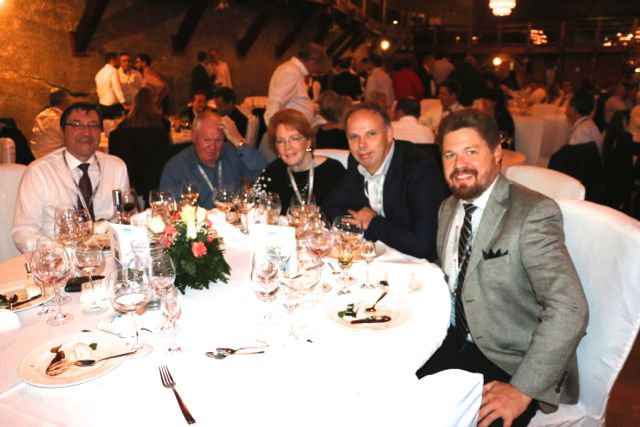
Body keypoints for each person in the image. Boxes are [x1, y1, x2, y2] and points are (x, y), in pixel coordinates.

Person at [415, 109, 588, 427]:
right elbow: (454, 274)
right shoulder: (448, 208)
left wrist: (521, 390)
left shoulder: (533, 213)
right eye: (450, 155)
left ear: (497, 153)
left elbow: (570, 308)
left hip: (510, 361)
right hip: (455, 342)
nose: (459, 164)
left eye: (471, 151)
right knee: (395, 393)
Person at [322, 103, 444, 260]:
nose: (361, 145)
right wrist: (362, 224)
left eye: (371, 134)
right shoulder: (356, 160)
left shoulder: (419, 168)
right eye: (354, 137)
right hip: (376, 259)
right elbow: (330, 207)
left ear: (388, 134)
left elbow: (422, 245)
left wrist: (373, 223)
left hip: (416, 264)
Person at [12, 102, 130, 253]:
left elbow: (126, 218)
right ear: (63, 130)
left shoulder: (116, 167)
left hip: (109, 256)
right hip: (58, 258)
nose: (86, 132)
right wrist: (59, 251)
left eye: (93, 125)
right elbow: (23, 232)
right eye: (77, 125)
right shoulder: (39, 172)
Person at [159, 109, 267, 209]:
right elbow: (169, 208)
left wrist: (239, 141)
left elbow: (265, 175)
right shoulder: (176, 168)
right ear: (194, 137)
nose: (212, 147)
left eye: (218, 140)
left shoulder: (231, 153)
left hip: (233, 220)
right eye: (206, 140)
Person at [258, 109, 345, 214]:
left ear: (308, 141)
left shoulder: (333, 171)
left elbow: (344, 214)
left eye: (294, 139)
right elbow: (255, 206)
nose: (287, 147)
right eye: (280, 141)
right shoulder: (273, 171)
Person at [264, 43, 325, 126]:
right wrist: (273, 129)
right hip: (290, 128)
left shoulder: (293, 70)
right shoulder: (292, 72)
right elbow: (276, 101)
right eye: (319, 65)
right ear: (312, 61)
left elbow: (294, 102)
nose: (317, 69)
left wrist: (310, 107)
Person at [29, 88, 70, 158]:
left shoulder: (40, 115)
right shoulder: (62, 119)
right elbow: (71, 142)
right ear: (65, 102)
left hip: (35, 156)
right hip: (53, 159)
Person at [95, 52, 127, 119]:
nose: (119, 63)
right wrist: (123, 102)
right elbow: (117, 88)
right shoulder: (113, 71)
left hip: (102, 104)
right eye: (118, 60)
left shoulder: (99, 73)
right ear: (112, 60)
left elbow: (98, 90)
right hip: (112, 105)